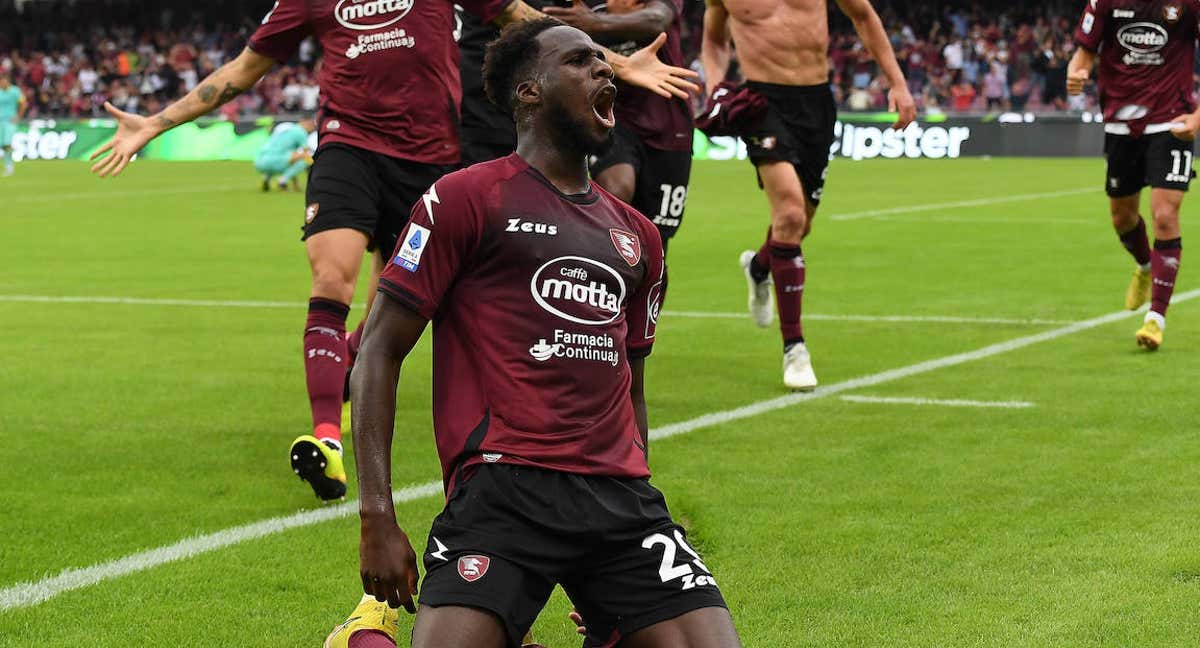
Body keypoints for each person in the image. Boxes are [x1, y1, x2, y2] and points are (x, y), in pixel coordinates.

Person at [87, 0, 697, 502]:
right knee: (332, 277)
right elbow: (244, 70)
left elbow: (528, 25)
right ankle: (328, 435)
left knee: (398, 308)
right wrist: (154, 123)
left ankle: (362, 384)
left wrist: (616, 66)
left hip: (431, 159)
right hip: (347, 147)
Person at [326, 19, 739, 648]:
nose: (606, 71)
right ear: (529, 92)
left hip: (620, 499)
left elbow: (633, 388)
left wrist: (641, 499)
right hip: (504, 488)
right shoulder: (464, 198)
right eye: (581, 61)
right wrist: (376, 515)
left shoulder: (640, 237)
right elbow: (378, 351)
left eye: (605, 62)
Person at [698, 0, 916, 390]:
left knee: (800, 227)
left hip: (816, 104)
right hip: (761, 103)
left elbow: (863, 14)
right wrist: (716, 87)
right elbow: (714, 39)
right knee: (790, 216)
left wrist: (897, 82)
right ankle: (794, 348)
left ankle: (759, 268)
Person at [459, 0, 695, 265]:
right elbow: (519, 17)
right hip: (504, 111)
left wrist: (602, 39)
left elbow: (657, 18)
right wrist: (620, 64)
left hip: (665, 123)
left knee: (655, 242)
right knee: (613, 188)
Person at [1068, 0, 1197, 350]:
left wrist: (1198, 116)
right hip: (1121, 120)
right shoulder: (1105, 1)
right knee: (1122, 218)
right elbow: (1083, 54)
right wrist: (1076, 73)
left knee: (1165, 214)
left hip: (1173, 120)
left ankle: (1155, 319)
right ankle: (1144, 265)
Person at [254, 118, 315, 192]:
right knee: (306, 159)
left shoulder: (286, 129)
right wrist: (313, 164)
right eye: (312, 125)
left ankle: (266, 179)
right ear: (305, 122)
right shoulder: (301, 132)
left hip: (259, 162)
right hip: (278, 160)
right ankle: (282, 181)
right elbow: (305, 153)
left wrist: (295, 183)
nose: (312, 128)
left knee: (290, 158)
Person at [0, 74, 28, 178]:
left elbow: (24, 103)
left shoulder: (15, 91)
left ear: (7, 81)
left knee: (7, 143)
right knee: (2, 145)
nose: (2, 83)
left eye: (3, 81)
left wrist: (18, 116)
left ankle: (9, 167)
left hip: (10, 121)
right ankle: (8, 163)